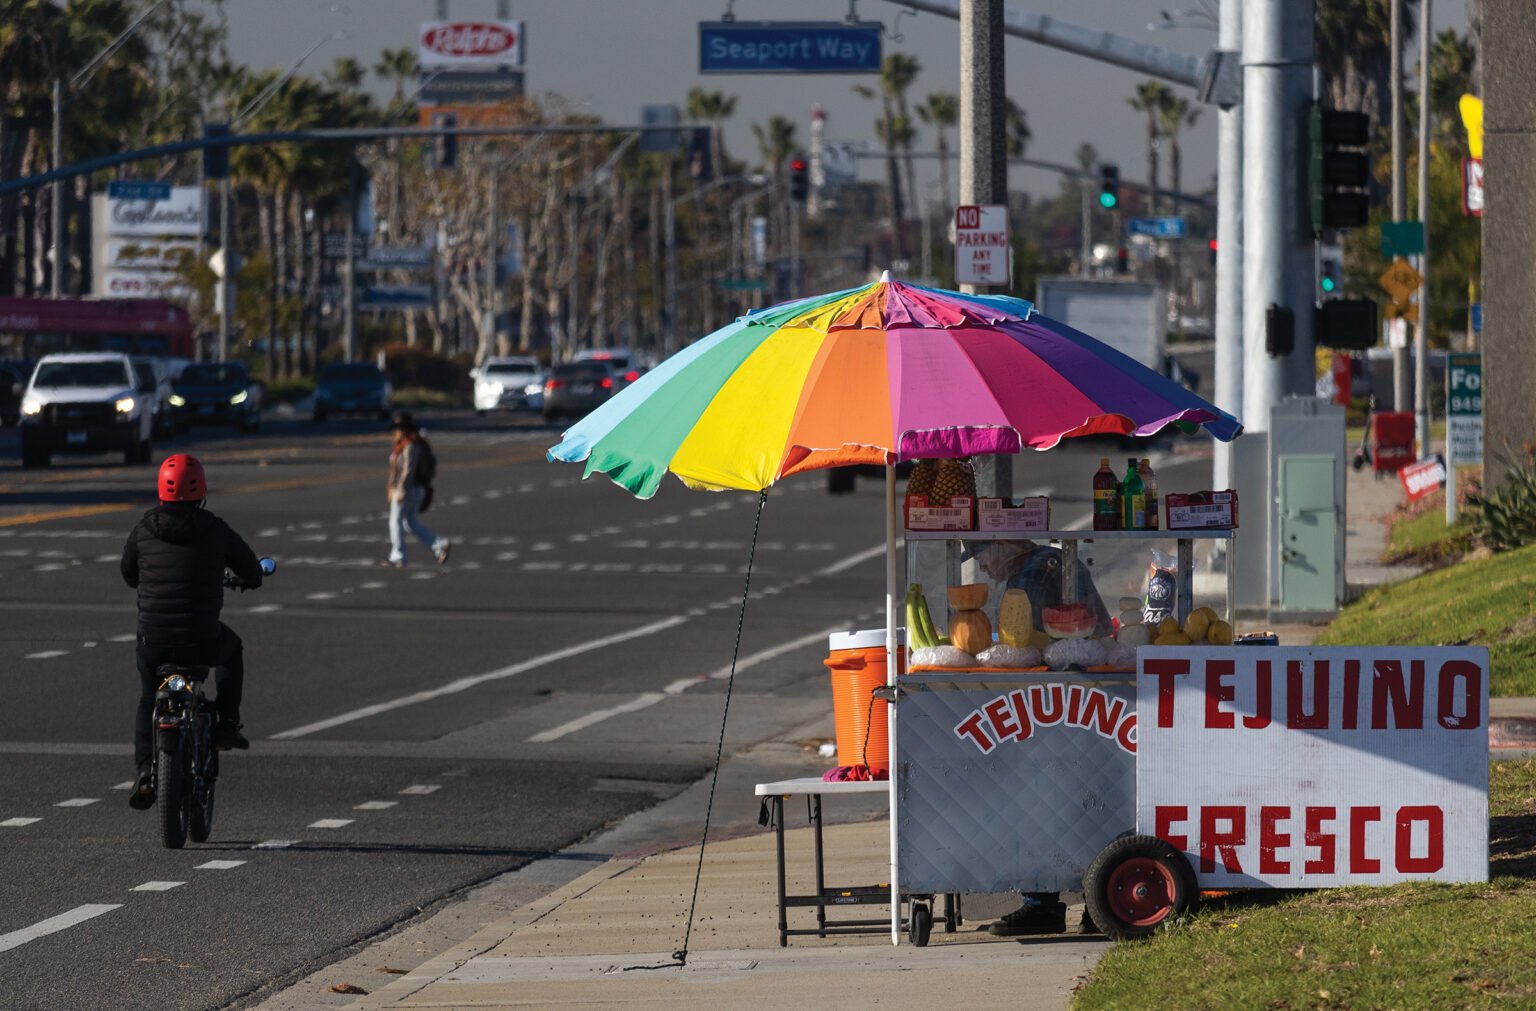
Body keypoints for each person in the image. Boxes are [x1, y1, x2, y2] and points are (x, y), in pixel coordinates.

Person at [968, 539, 1111, 936]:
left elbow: (1022, 642)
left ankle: (1045, 905)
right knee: (1083, 805)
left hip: (1056, 698)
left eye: (982, 557)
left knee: (1043, 804)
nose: (982, 568)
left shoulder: (1031, 576)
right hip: (1082, 691)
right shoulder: (1050, 561)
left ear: (1004, 544)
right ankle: (1092, 904)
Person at [120, 453, 263, 810]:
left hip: (153, 639)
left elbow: (128, 573)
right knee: (232, 650)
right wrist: (247, 578)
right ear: (201, 490)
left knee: (148, 699)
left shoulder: (144, 528)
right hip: (201, 639)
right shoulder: (214, 528)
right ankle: (227, 724)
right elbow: (251, 568)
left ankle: (145, 771)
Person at [382, 411, 451, 568]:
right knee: (409, 522)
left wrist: (401, 489)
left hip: (408, 489)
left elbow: (408, 469)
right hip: (414, 489)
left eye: (397, 430)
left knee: (395, 521)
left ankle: (398, 556)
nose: (394, 434)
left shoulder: (410, 445)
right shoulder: (407, 445)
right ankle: (439, 544)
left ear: (403, 430)